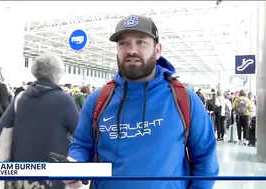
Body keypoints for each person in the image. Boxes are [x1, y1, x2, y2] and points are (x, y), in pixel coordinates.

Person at [64, 15, 219, 189]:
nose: (131, 50)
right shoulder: (98, 100)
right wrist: (74, 163)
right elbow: (82, 145)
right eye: (123, 43)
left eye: (141, 42)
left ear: (158, 50)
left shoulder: (184, 99)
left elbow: (206, 161)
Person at [0, 53, 79, 189]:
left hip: (19, 174)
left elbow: (1, 127)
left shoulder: (21, 97)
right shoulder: (64, 100)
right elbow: (80, 132)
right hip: (51, 175)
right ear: (58, 74)